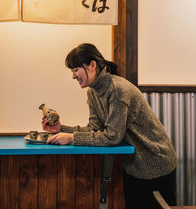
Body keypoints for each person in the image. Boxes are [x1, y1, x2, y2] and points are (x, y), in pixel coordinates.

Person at [42, 43, 177, 209]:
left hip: (155, 164)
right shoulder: (93, 92)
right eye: (72, 70)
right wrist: (61, 129)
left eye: (76, 69)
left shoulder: (118, 90)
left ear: (92, 65)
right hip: (133, 167)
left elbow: (112, 136)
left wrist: (71, 137)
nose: (73, 76)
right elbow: (94, 128)